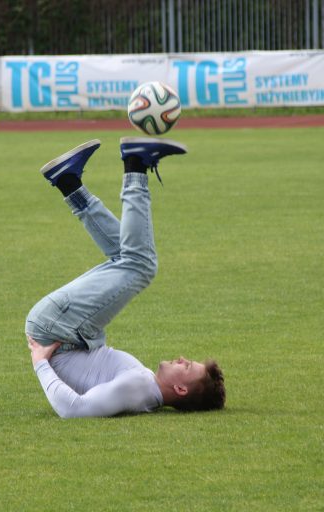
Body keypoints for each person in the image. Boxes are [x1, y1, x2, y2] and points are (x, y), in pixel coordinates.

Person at [25, 137, 225, 418]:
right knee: (127, 254)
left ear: (180, 389)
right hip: (69, 332)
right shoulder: (145, 388)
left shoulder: (139, 388)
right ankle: (68, 181)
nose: (182, 358)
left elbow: (74, 410)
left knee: (141, 265)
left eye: (188, 366)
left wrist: (40, 363)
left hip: (57, 330)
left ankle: (136, 164)